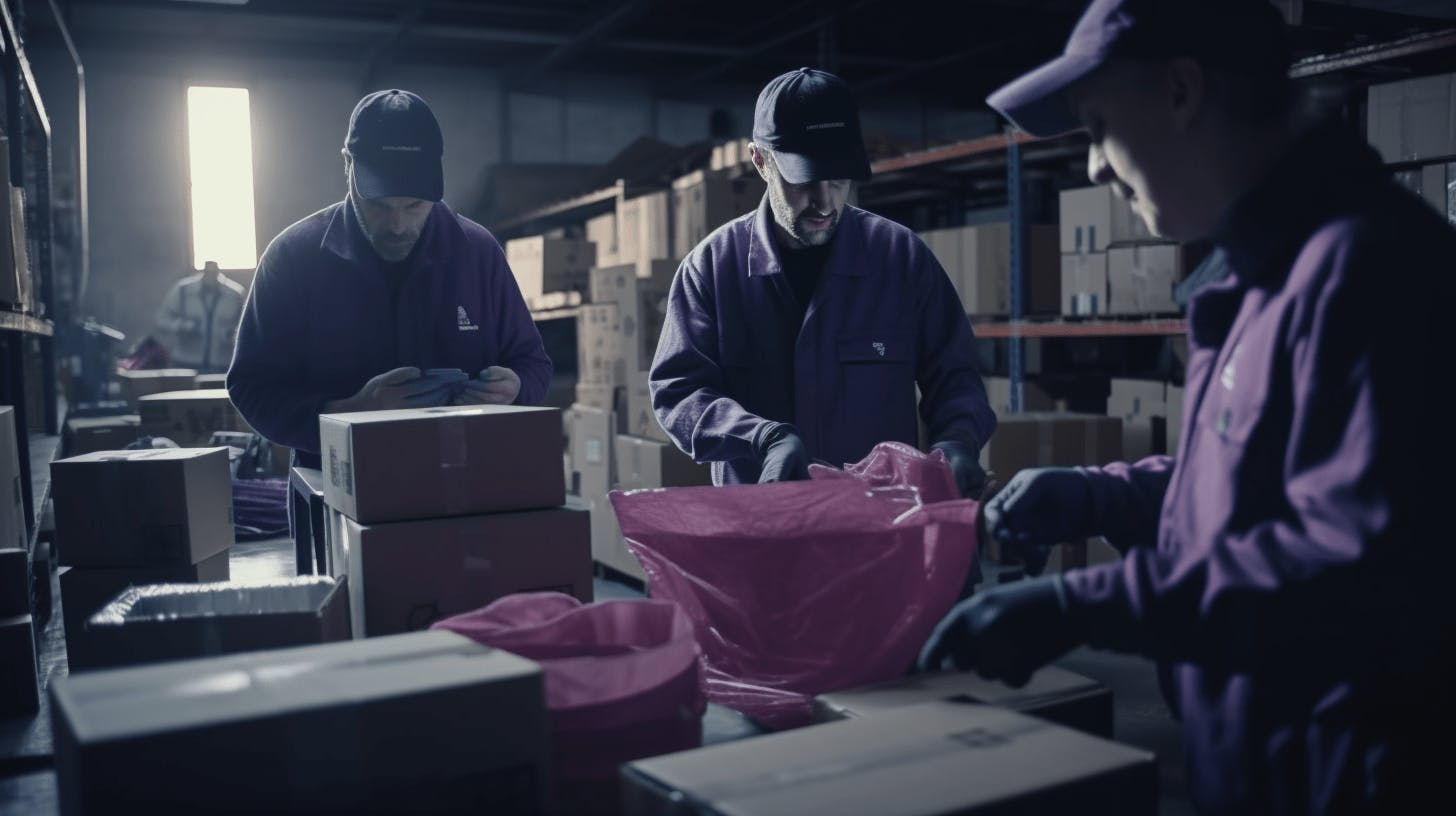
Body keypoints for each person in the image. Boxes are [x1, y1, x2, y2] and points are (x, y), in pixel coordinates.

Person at [918, 0, 1455, 812]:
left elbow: (1351, 565)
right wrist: (1102, 495)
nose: (1092, 166)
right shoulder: (1257, 276)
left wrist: (1084, 606)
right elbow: (1252, 485)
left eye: (1098, 125)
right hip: (1255, 764)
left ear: (1180, 91)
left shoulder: (1371, 271)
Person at [649, 68, 997, 498]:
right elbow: (678, 393)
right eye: (805, 180)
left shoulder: (901, 259)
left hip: (878, 531)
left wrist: (958, 442)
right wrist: (759, 437)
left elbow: (956, 377)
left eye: (838, 179)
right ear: (760, 161)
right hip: (764, 531)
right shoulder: (712, 270)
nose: (825, 201)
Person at [228, 89, 551, 469]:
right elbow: (252, 387)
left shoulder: (478, 253)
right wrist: (350, 412)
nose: (398, 225)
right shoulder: (293, 258)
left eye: (414, 206)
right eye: (379, 205)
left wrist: (515, 389)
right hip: (336, 486)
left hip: (464, 483)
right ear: (347, 165)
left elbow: (533, 362)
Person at [154, 260, 246, 373]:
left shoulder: (235, 294)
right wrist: (181, 326)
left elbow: (246, 327)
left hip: (222, 364)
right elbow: (161, 320)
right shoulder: (182, 290)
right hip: (185, 362)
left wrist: (232, 334)